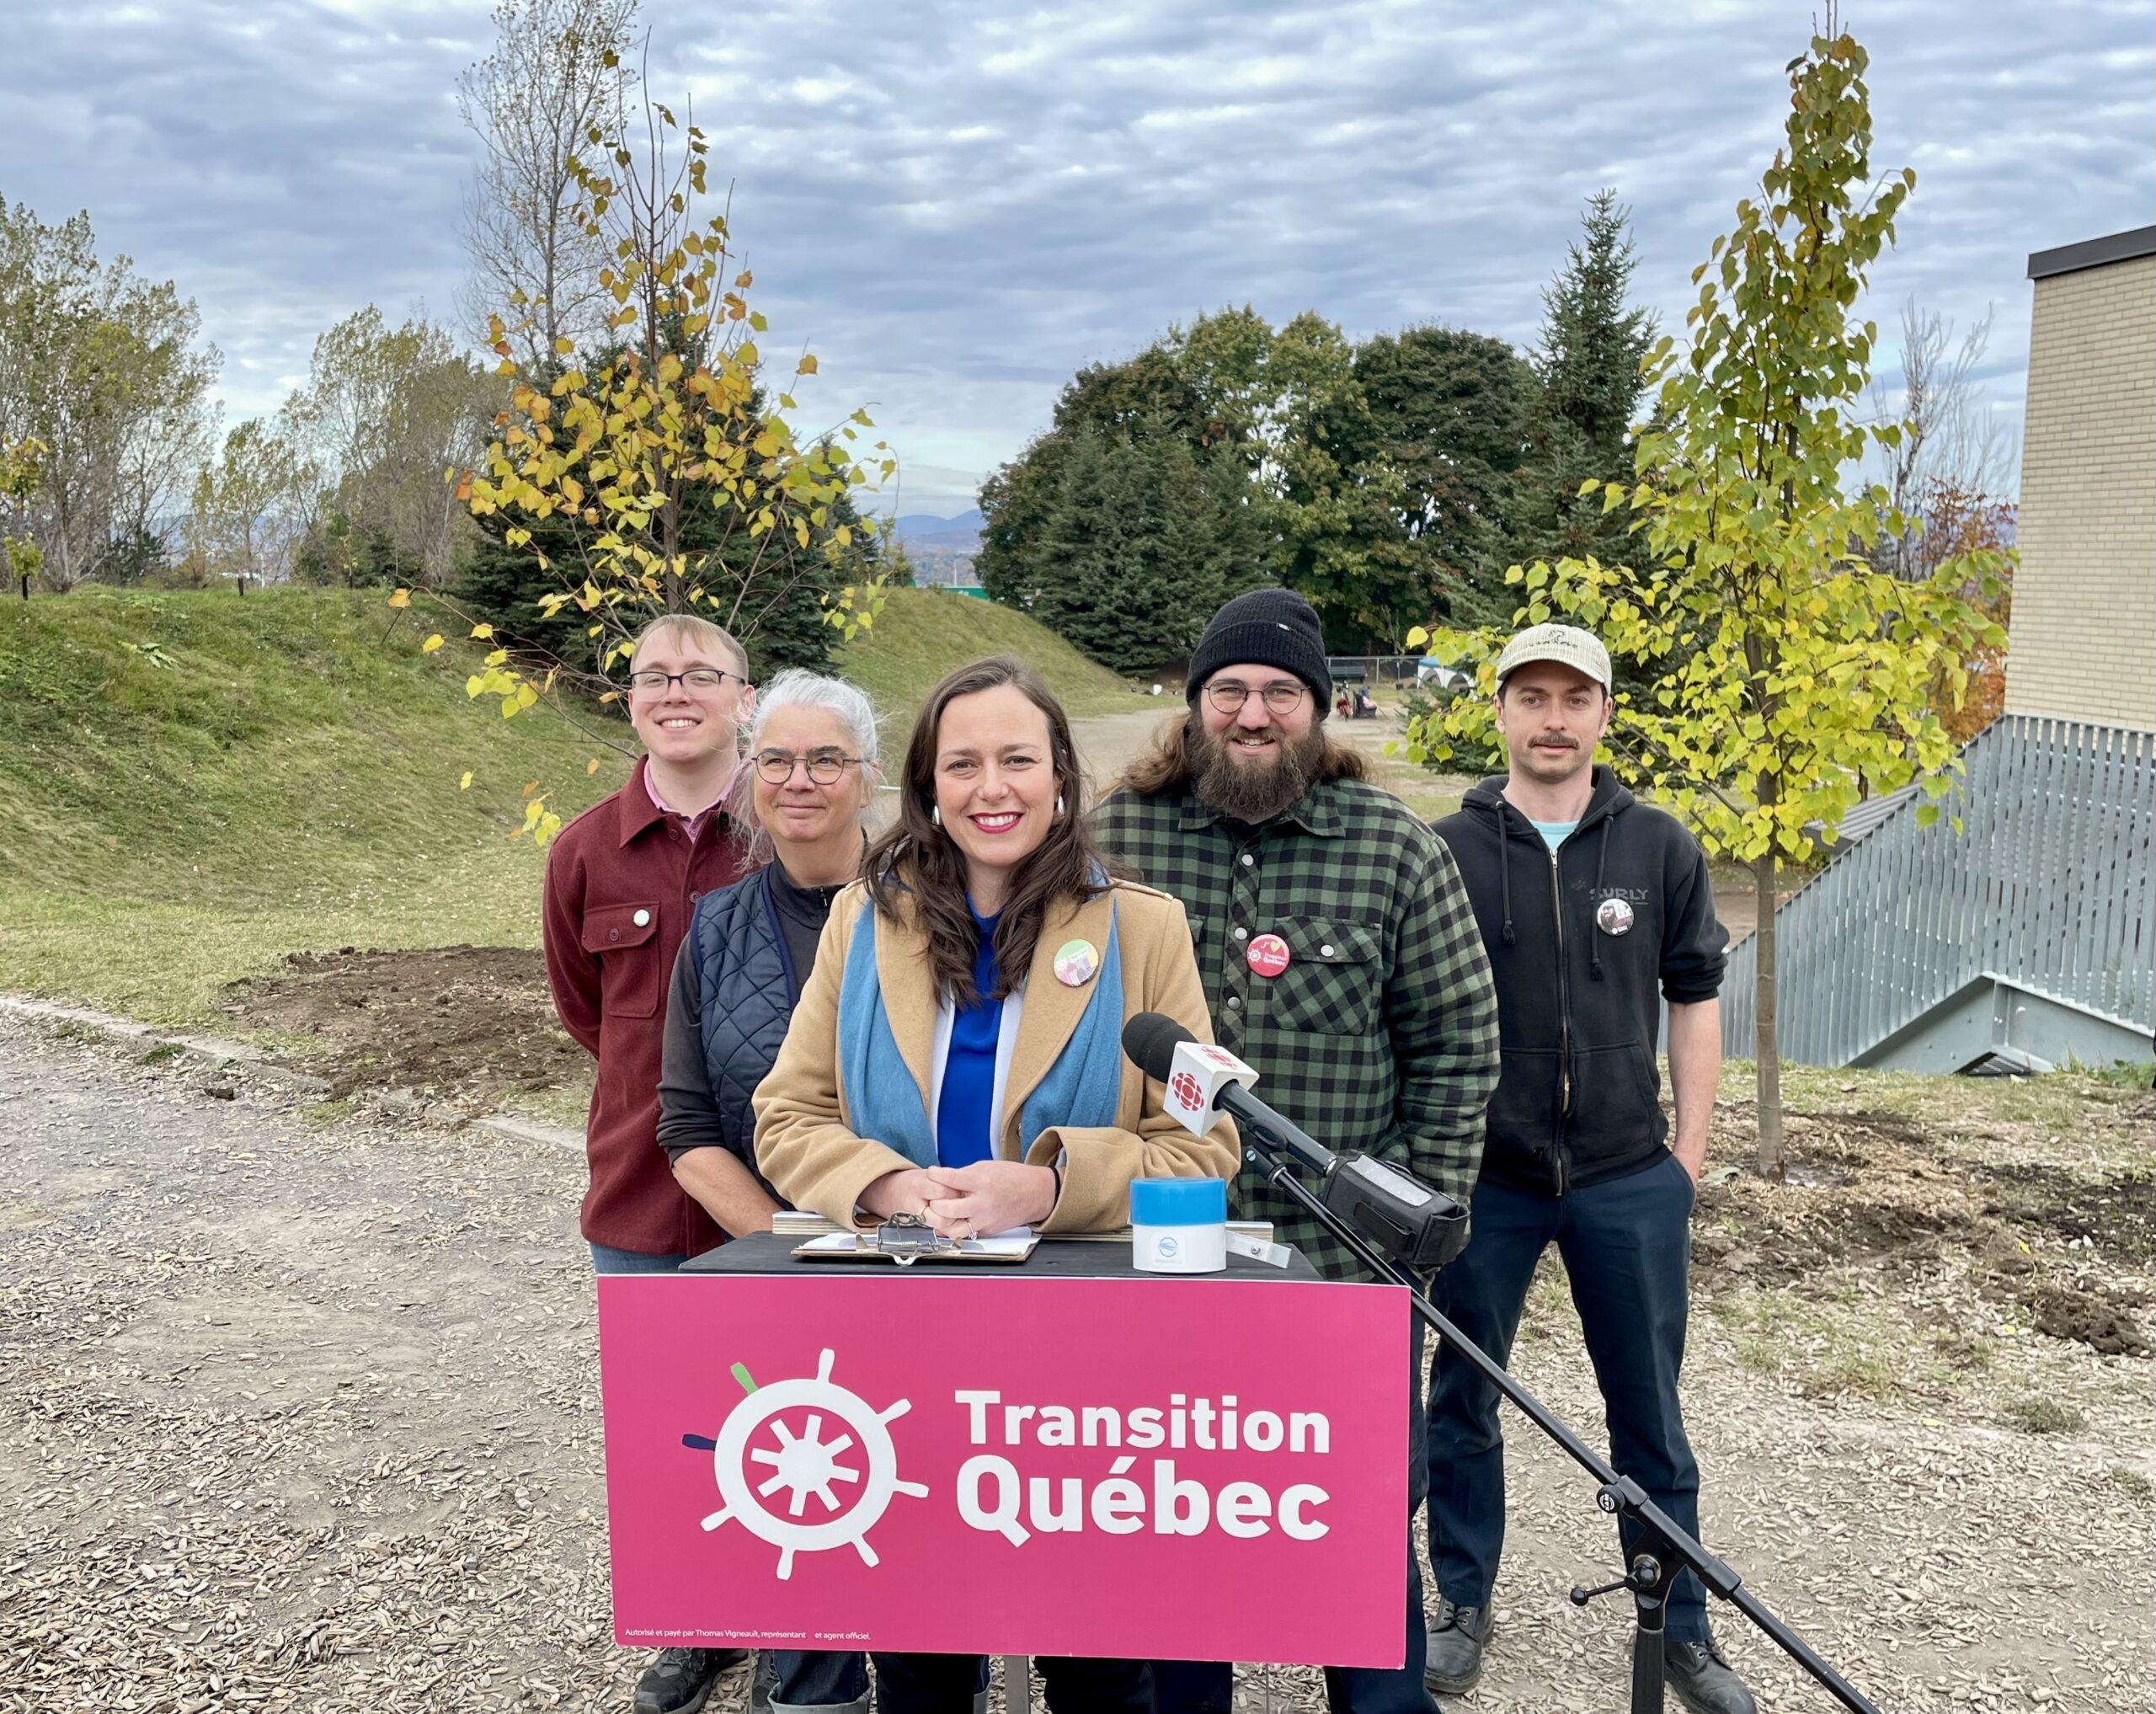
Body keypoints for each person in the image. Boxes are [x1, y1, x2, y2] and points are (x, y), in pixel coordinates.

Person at [753, 654, 1237, 1714]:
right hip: (902, 1345)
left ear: (1061, 775)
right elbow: (786, 1117)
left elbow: (1203, 1149)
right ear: (927, 787)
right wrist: (885, 1187)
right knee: (921, 1659)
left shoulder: (1142, 929)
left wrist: (1048, 1185)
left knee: (1102, 1659)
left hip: (1089, 1361)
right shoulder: (860, 921)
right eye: (962, 763)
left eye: (1018, 758)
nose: (992, 787)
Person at [1091, 587, 1501, 1714]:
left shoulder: (1395, 850)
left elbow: (1460, 1050)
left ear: (1320, 711)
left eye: (1281, 691)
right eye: (1230, 689)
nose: (1254, 711)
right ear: (1196, 705)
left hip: (1338, 1269)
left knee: (1355, 1524)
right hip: (1154, 1264)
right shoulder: (1113, 837)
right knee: (1173, 1519)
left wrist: (1408, 1230)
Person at [1422, 623, 1752, 1714]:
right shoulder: (1447, 849)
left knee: (1648, 1408)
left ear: (1605, 712)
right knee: (1463, 1394)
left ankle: (1684, 1623)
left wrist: (1686, 1156)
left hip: (1624, 1173)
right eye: (1533, 696)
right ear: (1502, 710)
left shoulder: (1657, 844)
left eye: (1576, 696)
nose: (1553, 717)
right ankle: (1461, 1603)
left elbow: (1694, 994)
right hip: (1489, 1181)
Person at [540, 611, 755, 1714]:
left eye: (701, 675)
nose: (677, 692)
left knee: (799, 1411)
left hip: (776, 1194)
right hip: (638, 1187)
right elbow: (587, 1009)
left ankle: (813, 1618)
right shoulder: (582, 848)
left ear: (743, 697)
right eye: (654, 677)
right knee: (672, 1427)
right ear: (631, 700)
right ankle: (696, 1624)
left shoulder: (788, 829)